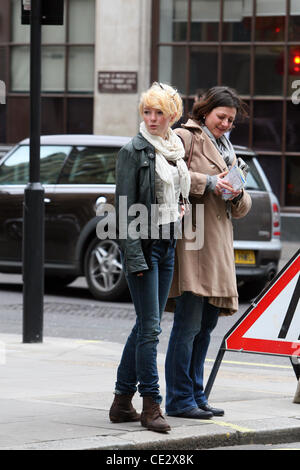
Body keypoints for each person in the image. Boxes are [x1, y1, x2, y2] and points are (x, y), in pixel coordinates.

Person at [165, 86, 252, 419]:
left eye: (231, 120)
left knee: (205, 328)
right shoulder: (185, 137)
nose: (226, 124)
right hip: (194, 242)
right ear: (205, 111)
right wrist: (210, 183)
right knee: (187, 326)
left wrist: (234, 194)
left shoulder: (229, 149)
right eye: (222, 117)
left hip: (218, 245)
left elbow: (243, 203)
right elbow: (170, 174)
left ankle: (196, 395)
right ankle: (178, 399)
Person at [109, 82, 191, 433]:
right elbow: (125, 212)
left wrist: (181, 208)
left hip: (167, 243)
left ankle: (120, 402)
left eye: (159, 112)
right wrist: (135, 260)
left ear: (172, 115)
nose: (152, 118)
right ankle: (151, 405)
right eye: (147, 111)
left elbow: (174, 192)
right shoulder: (133, 151)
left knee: (146, 326)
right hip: (143, 248)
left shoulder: (173, 148)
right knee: (151, 330)